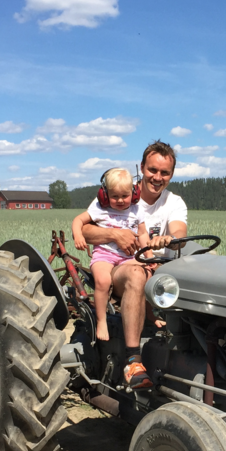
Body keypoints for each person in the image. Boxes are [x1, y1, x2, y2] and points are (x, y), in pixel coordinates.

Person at [81, 141, 187, 389]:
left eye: (165, 173)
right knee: (138, 274)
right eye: (152, 170)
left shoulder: (174, 203)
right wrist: (115, 235)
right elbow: (85, 229)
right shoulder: (120, 194)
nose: (157, 177)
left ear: (171, 175)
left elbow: (178, 230)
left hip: (158, 271)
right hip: (121, 266)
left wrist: (170, 240)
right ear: (141, 167)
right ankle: (133, 361)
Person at [71, 168, 150, 343]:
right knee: (103, 281)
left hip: (129, 257)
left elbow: (143, 234)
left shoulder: (137, 210)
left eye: (125, 196)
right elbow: (78, 220)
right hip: (104, 255)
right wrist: (78, 235)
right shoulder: (99, 207)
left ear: (134, 193)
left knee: (148, 276)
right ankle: (101, 321)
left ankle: (153, 318)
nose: (120, 200)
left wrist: (149, 256)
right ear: (105, 195)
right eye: (115, 197)